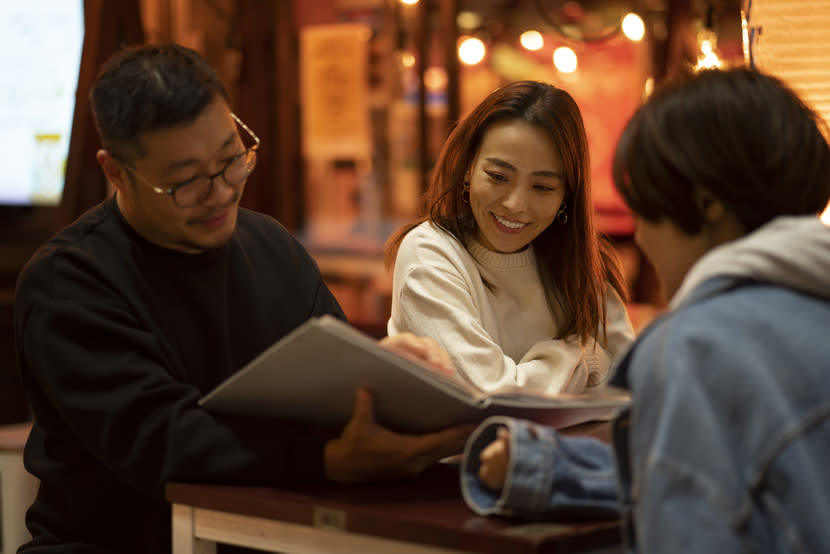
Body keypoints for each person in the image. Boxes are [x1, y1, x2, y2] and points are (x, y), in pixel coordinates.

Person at [13, 43, 472, 554]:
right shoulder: (69, 282)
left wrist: (388, 378)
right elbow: (166, 441)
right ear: (116, 171)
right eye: (186, 182)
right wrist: (326, 459)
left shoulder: (272, 247)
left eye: (232, 159)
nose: (221, 192)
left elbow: (337, 385)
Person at [460, 66, 830, 553]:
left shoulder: (694, 346)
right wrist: (542, 466)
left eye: (644, 208)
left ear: (706, 204)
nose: (641, 236)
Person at [385, 81, 635, 395]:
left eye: (542, 187)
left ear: (566, 197)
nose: (515, 204)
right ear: (469, 169)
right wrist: (586, 358)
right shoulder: (431, 254)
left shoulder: (582, 263)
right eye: (499, 177)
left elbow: (630, 382)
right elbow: (487, 391)